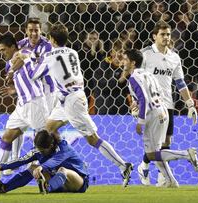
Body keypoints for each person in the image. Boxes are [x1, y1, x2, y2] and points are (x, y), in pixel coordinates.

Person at [13, 23, 133, 187]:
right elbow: (55, 63)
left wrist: (27, 59)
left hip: (72, 101)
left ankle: (123, 166)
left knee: (92, 139)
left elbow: (34, 74)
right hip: (67, 99)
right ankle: (54, 164)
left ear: (52, 39)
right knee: (47, 129)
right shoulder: (73, 52)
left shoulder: (50, 56)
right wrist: (36, 58)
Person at [122, 49, 198, 188]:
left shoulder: (134, 78)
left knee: (151, 154)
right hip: (162, 110)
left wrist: (140, 121)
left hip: (152, 115)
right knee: (156, 152)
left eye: (125, 59)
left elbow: (144, 99)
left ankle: (186, 154)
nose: (123, 62)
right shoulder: (149, 75)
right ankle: (171, 181)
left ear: (133, 63)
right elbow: (154, 93)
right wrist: (138, 103)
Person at [2, 18, 67, 175]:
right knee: (18, 125)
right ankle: (14, 161)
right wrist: (14, 69)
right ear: (26, 30)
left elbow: (36, 66)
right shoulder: (21, 43)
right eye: (30, 30)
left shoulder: (47, 45)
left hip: (47, 93)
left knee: (46, 131)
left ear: (41, 31)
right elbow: (10, 62)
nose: (33, 33)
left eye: (36, 30)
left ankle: (53, 160)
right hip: (29, 93)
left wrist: (19, 64)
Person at [137, 21, 198, 186]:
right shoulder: (145, 54)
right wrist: (135, 102)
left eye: (168, 34)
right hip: (150, 105)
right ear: (154, 36)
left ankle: (145, 167)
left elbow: (180, 83)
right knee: (155, 144)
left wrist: (190, 104)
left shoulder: (174, 57)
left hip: (167, 104)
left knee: (166, 142)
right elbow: (135, 79)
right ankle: (163, 176)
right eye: (162, 34)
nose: (166, 37)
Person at [0, 33, 48, 171]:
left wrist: (12, 70)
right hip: (22, 105)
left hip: (35, 102)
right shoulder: (9, 65)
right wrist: (14, 91)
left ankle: (52, 171)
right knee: (6, 137)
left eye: (3, 50)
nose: (1, 53)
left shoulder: (23, 52)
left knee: (44, 142)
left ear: (12, 47)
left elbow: (23, 58)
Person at [0, 130, 89, 194]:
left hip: (78, 183)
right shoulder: (38, 150)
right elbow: (21, 160)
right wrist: (0, 167)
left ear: (51, 145)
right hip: (57, 183)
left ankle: (47, 188)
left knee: (63, 170)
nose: (40, 152)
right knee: (32, 167)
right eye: (38, 149)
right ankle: (4, 188)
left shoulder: (64, 147)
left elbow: (54, 161)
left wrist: (41, 167)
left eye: (42, 150)